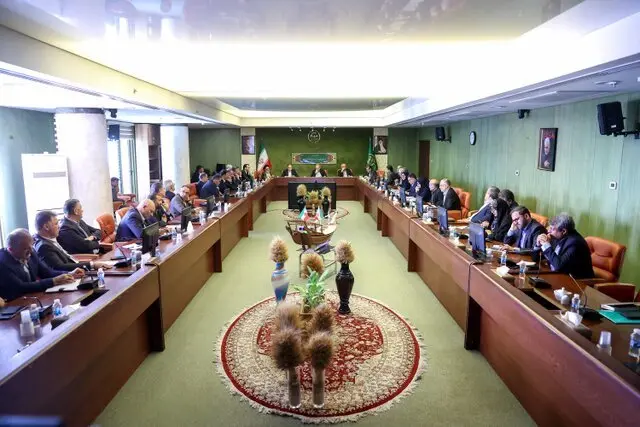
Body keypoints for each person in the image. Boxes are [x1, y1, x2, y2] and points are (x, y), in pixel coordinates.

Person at [0, 229, 78, 301]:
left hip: (32, 298)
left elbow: (47, 272)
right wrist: (54, 281)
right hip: (13, 303)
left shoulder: (31, 252)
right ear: (11, 250)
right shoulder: (2, 263)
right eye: (25, 249)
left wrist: (69, 274)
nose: (31, 251)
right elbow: (21, 287)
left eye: (31, 245)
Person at [33, 211, 111, 272]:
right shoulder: (43, 246)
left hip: (76, 269)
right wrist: (92, 265)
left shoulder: (49, 240)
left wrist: (93, 264)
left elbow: (69, 259)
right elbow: (60, 267)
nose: (59, 226)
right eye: (56, 224)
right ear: (46, 227)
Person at [535, 213, 595, 278]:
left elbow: (558, 266)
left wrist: (546, 245)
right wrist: (538, 245)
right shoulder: (557, 236)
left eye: (552, 229)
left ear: (563, 231)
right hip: (557, 275)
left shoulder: (575, 243)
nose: (548, 231)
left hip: (577, 281)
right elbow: (536, 258)